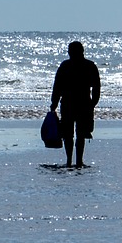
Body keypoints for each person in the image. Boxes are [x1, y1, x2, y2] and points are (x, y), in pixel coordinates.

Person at [50, 40, 101, 168]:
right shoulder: (89, 66)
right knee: (79, 134)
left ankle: (71, 160)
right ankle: (77, 161)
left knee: (72, 134)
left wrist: (54, 103)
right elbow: (96, 86)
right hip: (82, 103)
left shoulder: (66, 66)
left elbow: (57, 86)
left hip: (71, 103)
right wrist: (93, 102)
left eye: (70, 51)